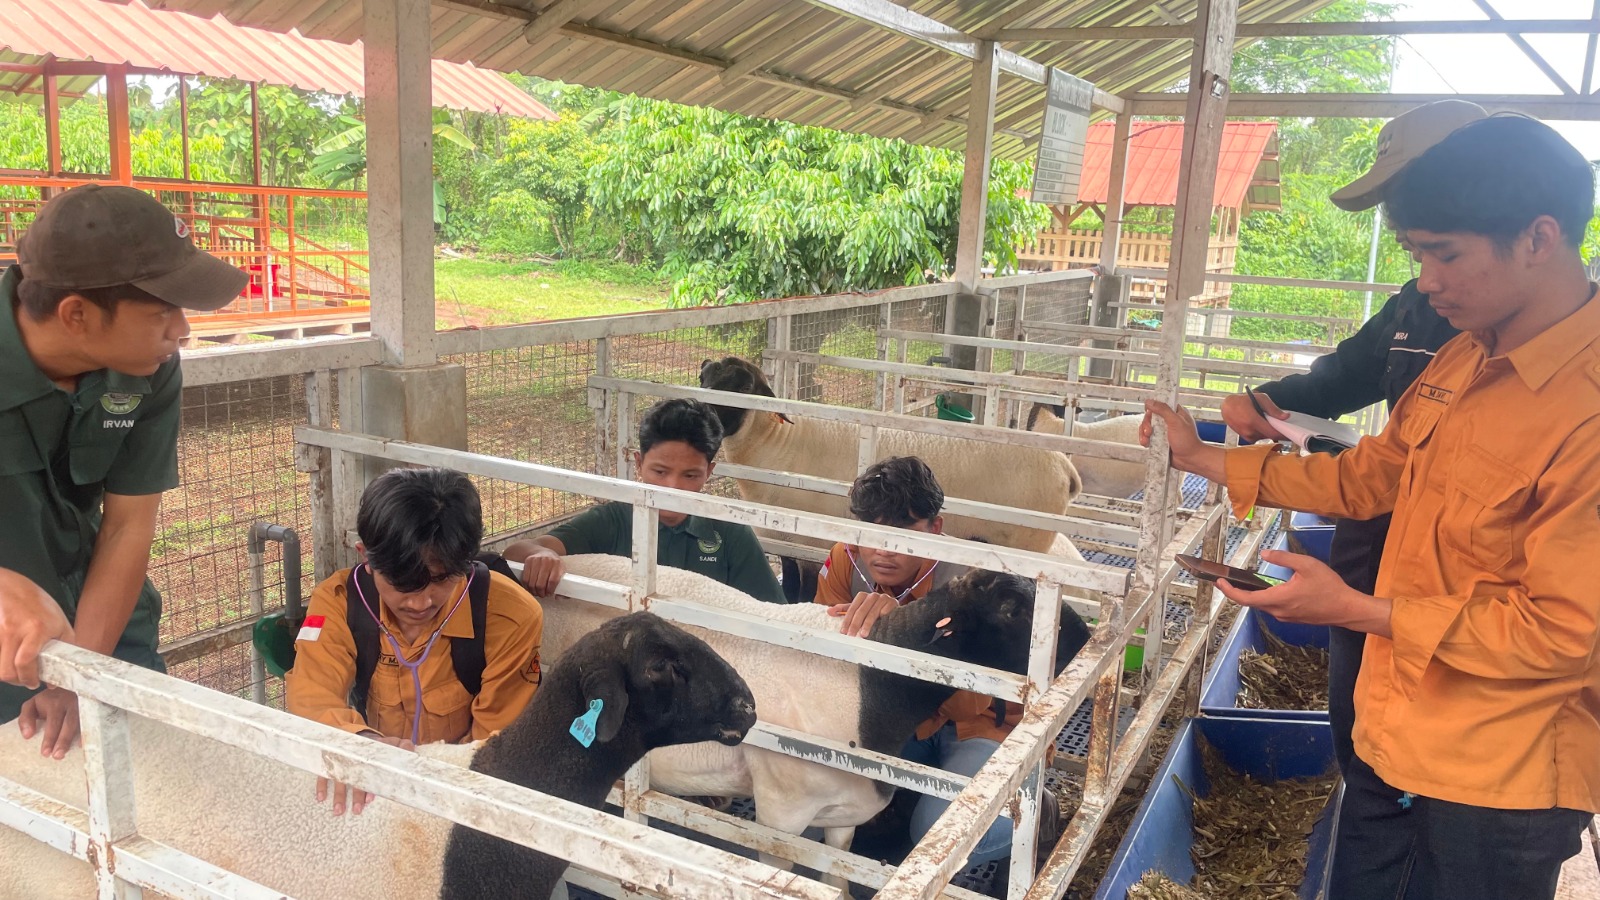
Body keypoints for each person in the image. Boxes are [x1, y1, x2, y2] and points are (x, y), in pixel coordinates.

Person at [1144, 112, 1600, 900]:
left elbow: (1561, 633)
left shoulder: (1585, 407)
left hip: (1494, 785)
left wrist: (1357, 608)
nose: (1426, 281)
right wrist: (1207, 458)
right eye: (1418, 254)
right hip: (1393, 739)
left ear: (1538, 237)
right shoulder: (1462, 355)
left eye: (1445, 254)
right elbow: (1368, 478)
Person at [1219, 100, 1480, 775]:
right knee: (1360, 714)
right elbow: (1346, 377)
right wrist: (1268, 403)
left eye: (1415, 207)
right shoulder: (1417, 302)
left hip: (1461, 580)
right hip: (1378, 535)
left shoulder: (1510, 335)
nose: (1408, 237)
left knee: (1440, 736)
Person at [0, 184, 247, 759]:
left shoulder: (149, 369)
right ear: (77, 314)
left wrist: (79, 671)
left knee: (147, 783)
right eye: (163, 311)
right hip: (10, 635)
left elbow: (126, 527)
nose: (182, 330)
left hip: (101, 621)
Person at [814, 456, 1056, 873]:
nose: (883, 549)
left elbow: (968, 702)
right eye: (872, 529)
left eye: (904, 529)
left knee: (935, 839)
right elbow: (822, 657)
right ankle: (903, 798)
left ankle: (1038, 810)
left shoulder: (972, 582)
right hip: (894, 714)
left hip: (985, 725)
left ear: (935, 529)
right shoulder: (844, 561)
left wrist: (903, 630)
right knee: (815, 797)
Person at [286, 467, 544, 815]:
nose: (421, 603)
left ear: (465, 561)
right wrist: (363, 745)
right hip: (371, 789)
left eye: (442, 579)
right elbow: (310, 696)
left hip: (457, 799)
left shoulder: (511, 617)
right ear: (366, 556)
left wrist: (431, 792)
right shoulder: (336, 603)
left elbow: (493, 749)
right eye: (403, 583)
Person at [504, 398, 784, 603]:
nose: (672, 487)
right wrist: (543, 556)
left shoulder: (729, 532)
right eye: (660, 471)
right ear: (638, 463)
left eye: (690, 475)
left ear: (709, 472)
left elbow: (771, 611)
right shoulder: (612, 520)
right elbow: (517, 551)